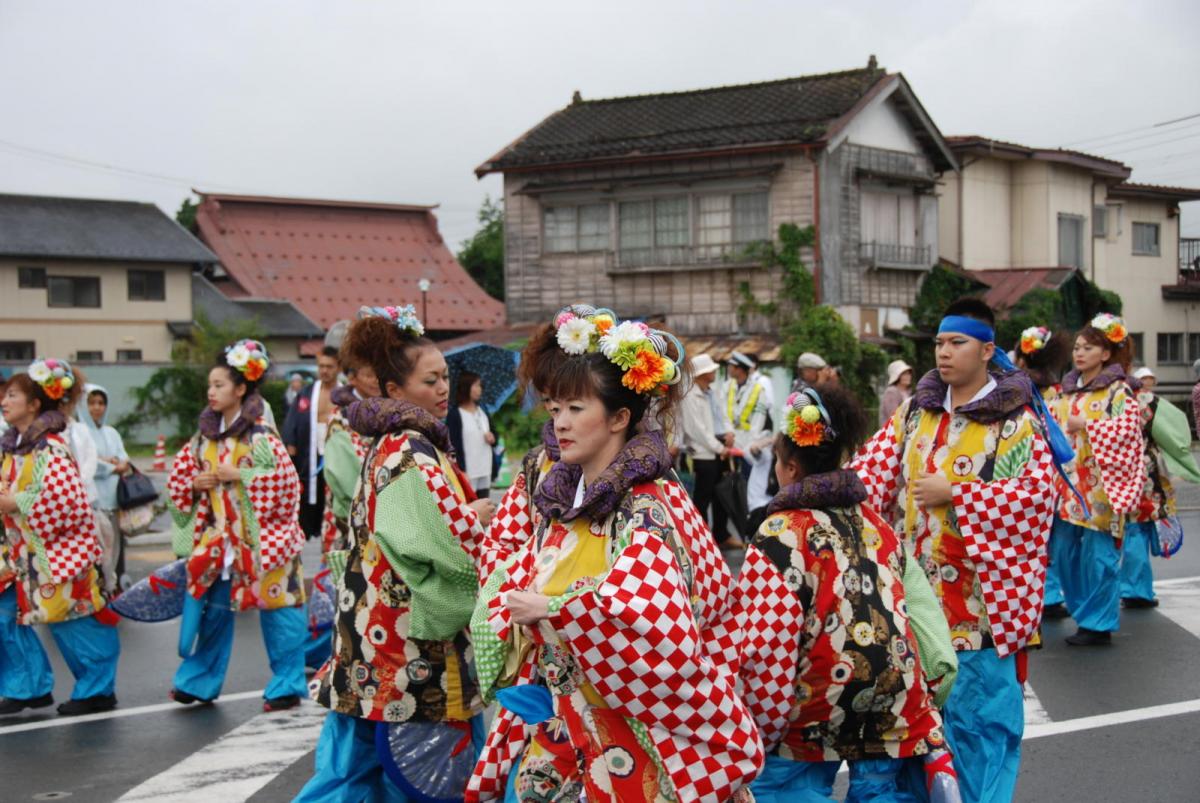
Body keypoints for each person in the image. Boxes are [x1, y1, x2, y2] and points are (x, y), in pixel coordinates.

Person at [467, 309, 762, 803]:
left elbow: (656, 620)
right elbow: (519, 557)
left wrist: (553, 608)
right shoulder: (567, 487)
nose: (560, 423)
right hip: (572, 712)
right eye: (554, 408)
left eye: (576, 408)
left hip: (633, 722)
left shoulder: (645, 501)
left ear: (621, 417)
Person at [853, 299, 1057, 803]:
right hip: (916, 604)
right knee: (914, 726)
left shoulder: (1013, 422)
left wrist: (959, 494)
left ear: (988, 350)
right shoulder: (915, 411)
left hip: (980, 611)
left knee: (979, 727)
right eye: (939, 343)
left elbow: (1037, 498)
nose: (943, 353)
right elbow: (871, 471)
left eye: (957, 343)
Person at [300, 305, 496, 801]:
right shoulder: (413, 452)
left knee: (354, 773)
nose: (442, 388)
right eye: (429, 380)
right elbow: (441, 552)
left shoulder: (388, 442)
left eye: (445, 376)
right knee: (425, 779)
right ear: (393, 390)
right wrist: (478, 527)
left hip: (371, 633)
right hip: (409, 646)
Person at [739, 383, 955, 802]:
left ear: (790, 468)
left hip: (818, 694)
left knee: (787, 788)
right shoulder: (876, 524)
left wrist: (759, 723)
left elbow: (764, 642)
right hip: (895, 691)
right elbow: (919, 604)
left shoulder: (780, 532)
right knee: (881, 790)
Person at [165, 339, 308, 710]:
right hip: (222, 539)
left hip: (264, 538)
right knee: (212, 610)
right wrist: (195, 483)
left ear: (241, 388)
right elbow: (179, 475)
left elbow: (285, 481)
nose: (211, 393)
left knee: (279, 609)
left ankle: (287, 683)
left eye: (219, 385)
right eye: (210, 386)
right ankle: (198, 681)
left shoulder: (259, 432)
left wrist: (240, 475)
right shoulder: (204, 436)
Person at [0, 359, 121, 716]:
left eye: (11, 395)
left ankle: (98, 687)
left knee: (73, 618)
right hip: (20, 550)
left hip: (60, 550)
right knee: (6, 613)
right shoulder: (16, 447)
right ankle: (27, 685)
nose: (4, 402)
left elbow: (67, 500)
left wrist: (14, 501)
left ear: (35, 403)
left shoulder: (49, 447)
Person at [1050, 314, 1144, 646]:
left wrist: (1086, 425)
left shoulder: (1119, 390)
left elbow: (1129, 432)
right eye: (1077, 347)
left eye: (1088, 348)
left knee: (1099, 557)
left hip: (1102, 488)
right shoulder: (1067, 389)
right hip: (1068, 487)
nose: (1079, 353)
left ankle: (1099, 622)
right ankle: (1084, 612)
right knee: (1064, 554)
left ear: (1105, 354)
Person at [1013, 326, 1072, 619]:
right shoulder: (1059, 392)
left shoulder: (1014, 390)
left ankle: (1043, 594)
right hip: (1056, 475)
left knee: (1032, 537)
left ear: (1022, 358)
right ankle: (1053, 592)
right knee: (1055, 536)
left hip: (1024, 471)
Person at [283, 346, 340, 540]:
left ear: (338, 367)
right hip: (310, 451)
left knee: (335, 494)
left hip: (336, 450)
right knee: (307, 494)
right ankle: (306, 531)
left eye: (329, 366)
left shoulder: (345, 393)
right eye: (321, 366)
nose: (324, 370)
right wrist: (291, 447)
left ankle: (332, 532)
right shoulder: (307, 393)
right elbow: (292, 421)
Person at [82, 385, 132, 593]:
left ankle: (110, 590)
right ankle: (96, 590)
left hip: (114, 500)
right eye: (91, 403)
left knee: (114, 550)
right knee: (97, 550)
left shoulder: (111, 432)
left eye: (101, 403)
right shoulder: (80, 432)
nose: (97, 408)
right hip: (93, 503)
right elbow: (89, 463)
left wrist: (117, 464)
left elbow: (124, 457)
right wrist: (113, 466)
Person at [679, 353, 733, 545]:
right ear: (702, 373)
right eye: (710, 370)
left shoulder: (712, 391)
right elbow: (696, 430)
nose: (714, 372)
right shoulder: (690, 395)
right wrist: (719, 447)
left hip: (719, 448)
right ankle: (702, 540)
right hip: (704, 453)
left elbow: (723, 415)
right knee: (703, 498)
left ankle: (721, 534)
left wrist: (729, 432)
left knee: (721, 496)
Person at [448, 371, 497, 496]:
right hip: (468, 472)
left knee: (485, 504)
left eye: (480, 386)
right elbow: (453, 444)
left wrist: (493, 438)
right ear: (466, 387)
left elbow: (495, 434)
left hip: (485, 468)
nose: (479, 389)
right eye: (476, 385)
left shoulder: (483, 410)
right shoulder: (455, 414)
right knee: (471, 508)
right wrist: (461, 470)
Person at [879, 359, 914, 425]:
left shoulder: (908, 393)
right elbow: (893, 417)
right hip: (892, 433)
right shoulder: (891, 392)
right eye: (904, 374)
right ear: (897, 377)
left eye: (908, 373)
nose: (908, 376)